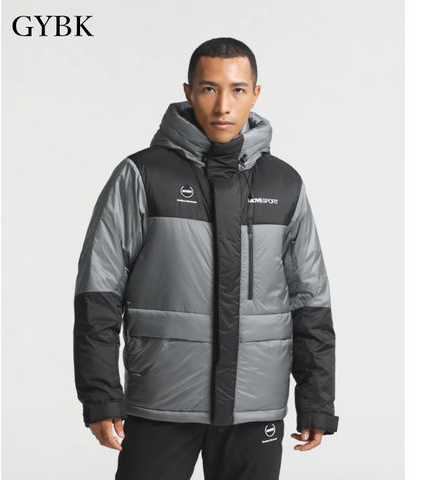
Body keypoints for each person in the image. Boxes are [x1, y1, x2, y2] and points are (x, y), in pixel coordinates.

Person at [73, 37, 339, 480]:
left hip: (255, 406)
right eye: (209, 88)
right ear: (189, 91)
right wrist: (100, 396)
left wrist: (316, 399)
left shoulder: (284, 184)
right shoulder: (143, 175)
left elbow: (309, 300)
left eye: (237, 89)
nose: (223, 106)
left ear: (255, 94)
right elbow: (98, 293)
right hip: (162, 399)